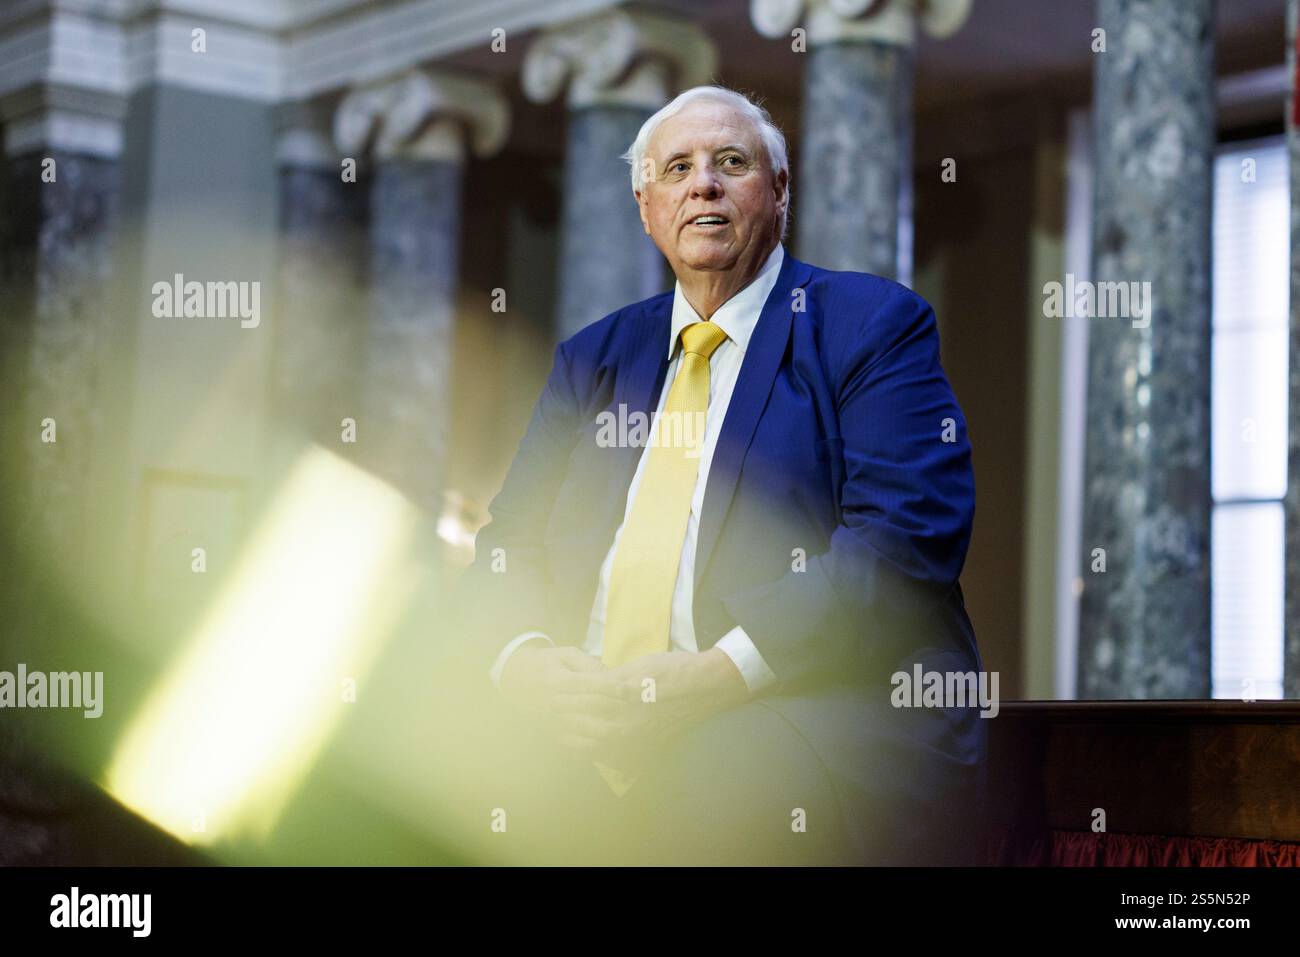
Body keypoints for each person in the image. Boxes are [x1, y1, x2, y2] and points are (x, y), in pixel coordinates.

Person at [446, 85, 986, 866]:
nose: (703, 183)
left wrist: (713, 679)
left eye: (731, 162)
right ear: (646, 206)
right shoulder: (592, 359)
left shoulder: (868, 326)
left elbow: (904, 545)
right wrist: (526, 663)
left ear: (779, 191)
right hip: (592, 713)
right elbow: (508, 544)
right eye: (677, 168)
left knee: (702, 783)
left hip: (807, 706)